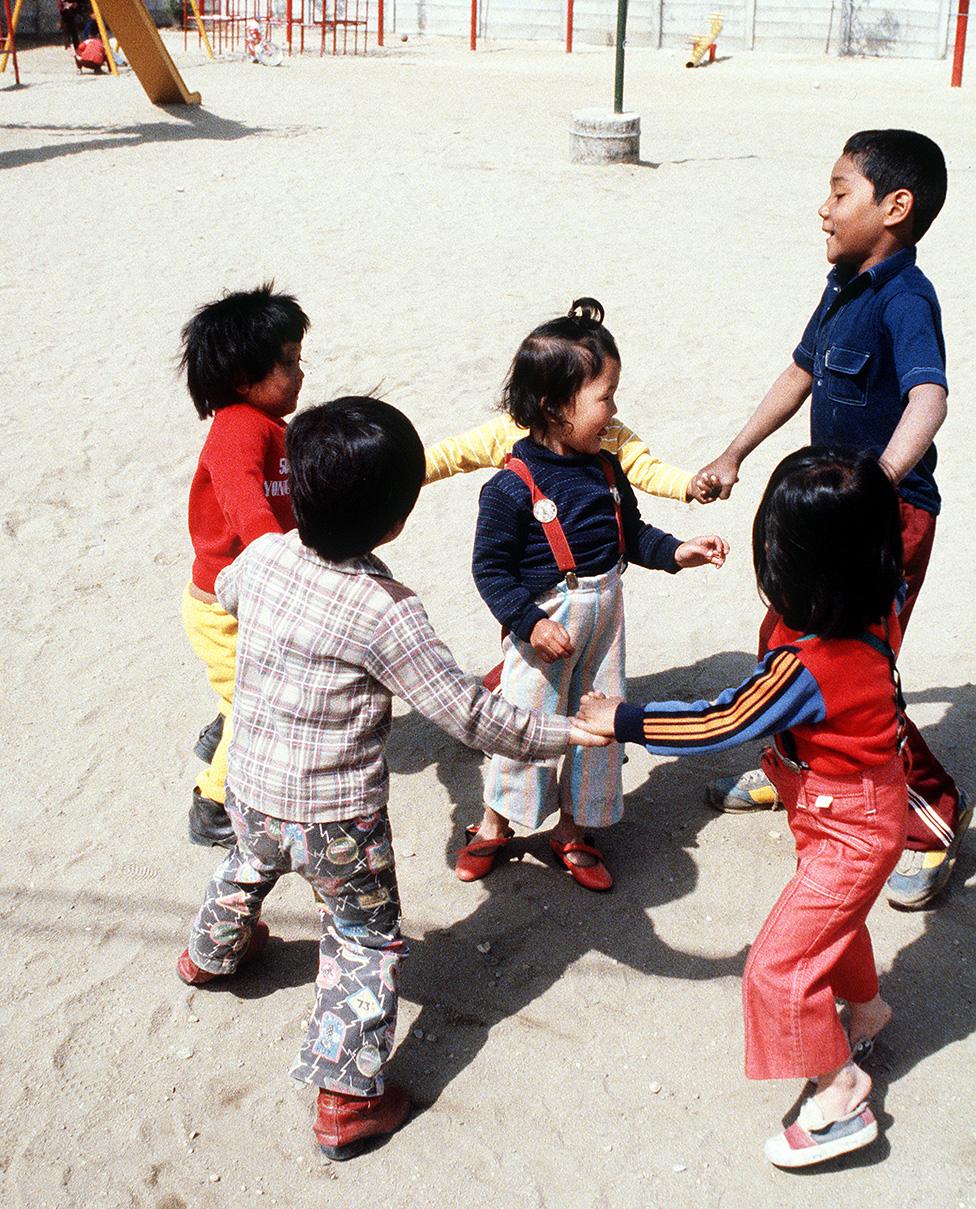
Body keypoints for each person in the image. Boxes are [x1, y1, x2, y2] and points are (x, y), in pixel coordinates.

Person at [175, 397, 607, 1161]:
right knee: (362, 936)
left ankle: (209, 953)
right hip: (337, 818)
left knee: (248, 863)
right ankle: (346, 1097)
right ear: (398, 520)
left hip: (250, 783)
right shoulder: (388, 611)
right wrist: (566, 729)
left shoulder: (266, 556)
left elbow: (231, 591)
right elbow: (472, 716)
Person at [577, 447, 908, 1167]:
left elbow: (718, 720)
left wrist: (621, 718)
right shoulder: (881, 602)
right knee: (832, 923)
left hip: (847, 820)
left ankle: (842, 1092)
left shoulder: (807, 663)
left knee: (778, 969)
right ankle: (870, 1009)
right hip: (848, 806)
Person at [693, 129, 968, 910]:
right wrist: (735, 451)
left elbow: (930, 398)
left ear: (895, 206)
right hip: (821, 518)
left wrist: (877, 485)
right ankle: (791, 771)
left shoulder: (907, 298)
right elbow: (801, 371)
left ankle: (934, 818)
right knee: (781, 646)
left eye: (840, 191)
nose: (824, 208)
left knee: (853, 678)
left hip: (885, 523)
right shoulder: (844, 282)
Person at [460, 299, 728, 891]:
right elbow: (490, 572)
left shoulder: (607, 469)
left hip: (605, 622)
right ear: (555, 407)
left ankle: (572, 831)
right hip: (546, 628)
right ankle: (495, 823)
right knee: (526, 726)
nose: (614, 410)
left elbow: (632, 536)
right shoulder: (510, 488)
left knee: (599, 726)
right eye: (605, 398)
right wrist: (528, 623)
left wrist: (676, 552)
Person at [179, 283, 309, 848]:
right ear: (241, 379)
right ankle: (212, 804)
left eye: (299, 359)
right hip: (229, 606)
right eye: (287, 363)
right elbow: (245, 502)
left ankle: (218, 728)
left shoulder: (269, 425)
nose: (299, 373)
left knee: (241, 688)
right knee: (252, 707)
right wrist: (277, 559)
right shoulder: (236, 430)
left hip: (248, 594)